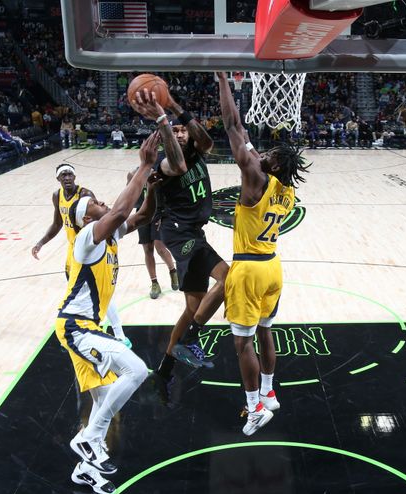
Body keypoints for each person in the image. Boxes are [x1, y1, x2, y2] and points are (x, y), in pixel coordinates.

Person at [59, 132, 160, 494]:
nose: (99, 201)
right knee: (136, 370)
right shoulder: (88, 238)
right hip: (76, 327)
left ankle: (84, 469)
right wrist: (144, 166)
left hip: (86, 327)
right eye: (94, 203)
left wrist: (153, 184)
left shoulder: (113, 234)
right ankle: (88, 439)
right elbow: (119, 210)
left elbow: (142, 214)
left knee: (104, 399)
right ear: (87, 218)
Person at [218, 72, 311, 435]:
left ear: (271, 166)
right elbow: (249, 142)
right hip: (273, 267)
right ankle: (270, 392)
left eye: (268, 155)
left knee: (243, 345)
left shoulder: (255, 180)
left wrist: (225, 81)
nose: (264, 154)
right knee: (267, 331)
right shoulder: (285, 190)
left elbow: (232, 125)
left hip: (249, 270)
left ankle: (254, 406)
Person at [131, 89, 228, 372]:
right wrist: (164, 120)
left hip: (193, 232)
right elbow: (178, 164)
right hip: (178, 233)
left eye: (183, 130)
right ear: (165, 136)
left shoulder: (199, 151)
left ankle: (166, 367)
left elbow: (207, 140)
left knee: (193, 307)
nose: (182, 133)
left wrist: (174, 106)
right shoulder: (164, 163)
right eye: (176, 131)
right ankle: (190, 339)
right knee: (228, 278)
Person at [32, 163, 132, 348]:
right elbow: (57, 223)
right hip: (74, 249)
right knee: (78, 291)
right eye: (63, 175)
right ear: (58, 179)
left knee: (99, 289)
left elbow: (103, 219)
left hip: (91, 246)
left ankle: (118, 334)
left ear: (75, 177)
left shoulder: (85, 195)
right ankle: (78, 330)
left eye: (70, 174)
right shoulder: (57, 196)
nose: (67, 177)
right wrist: (41, 242)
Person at [132, 184, 179, 299]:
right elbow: (131, 197)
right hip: (142, 214)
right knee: (148, 250)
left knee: (160, 248)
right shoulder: (134, 174)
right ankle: (154, 283)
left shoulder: (158, 171)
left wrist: (165, 213)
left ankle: (173, 271)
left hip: (159, 212)